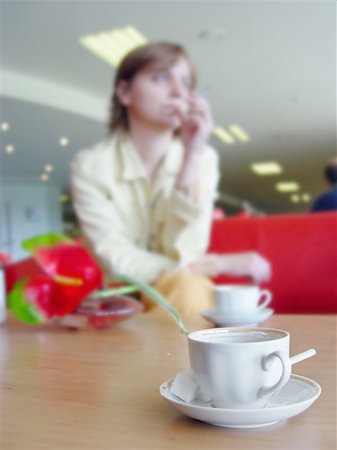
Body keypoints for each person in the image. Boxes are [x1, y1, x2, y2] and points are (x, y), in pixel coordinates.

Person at [70, 42, 271, 317]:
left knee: (186, 288)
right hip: (116, 293)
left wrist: (191, 159)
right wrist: (217, 264)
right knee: (187, 286)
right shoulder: (90, 165)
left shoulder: (203, 158)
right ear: (124, 92)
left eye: (186, 83)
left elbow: (189, 249)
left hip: (178, 290)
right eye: (161, 78)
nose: (179, 93)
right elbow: (114, 257)